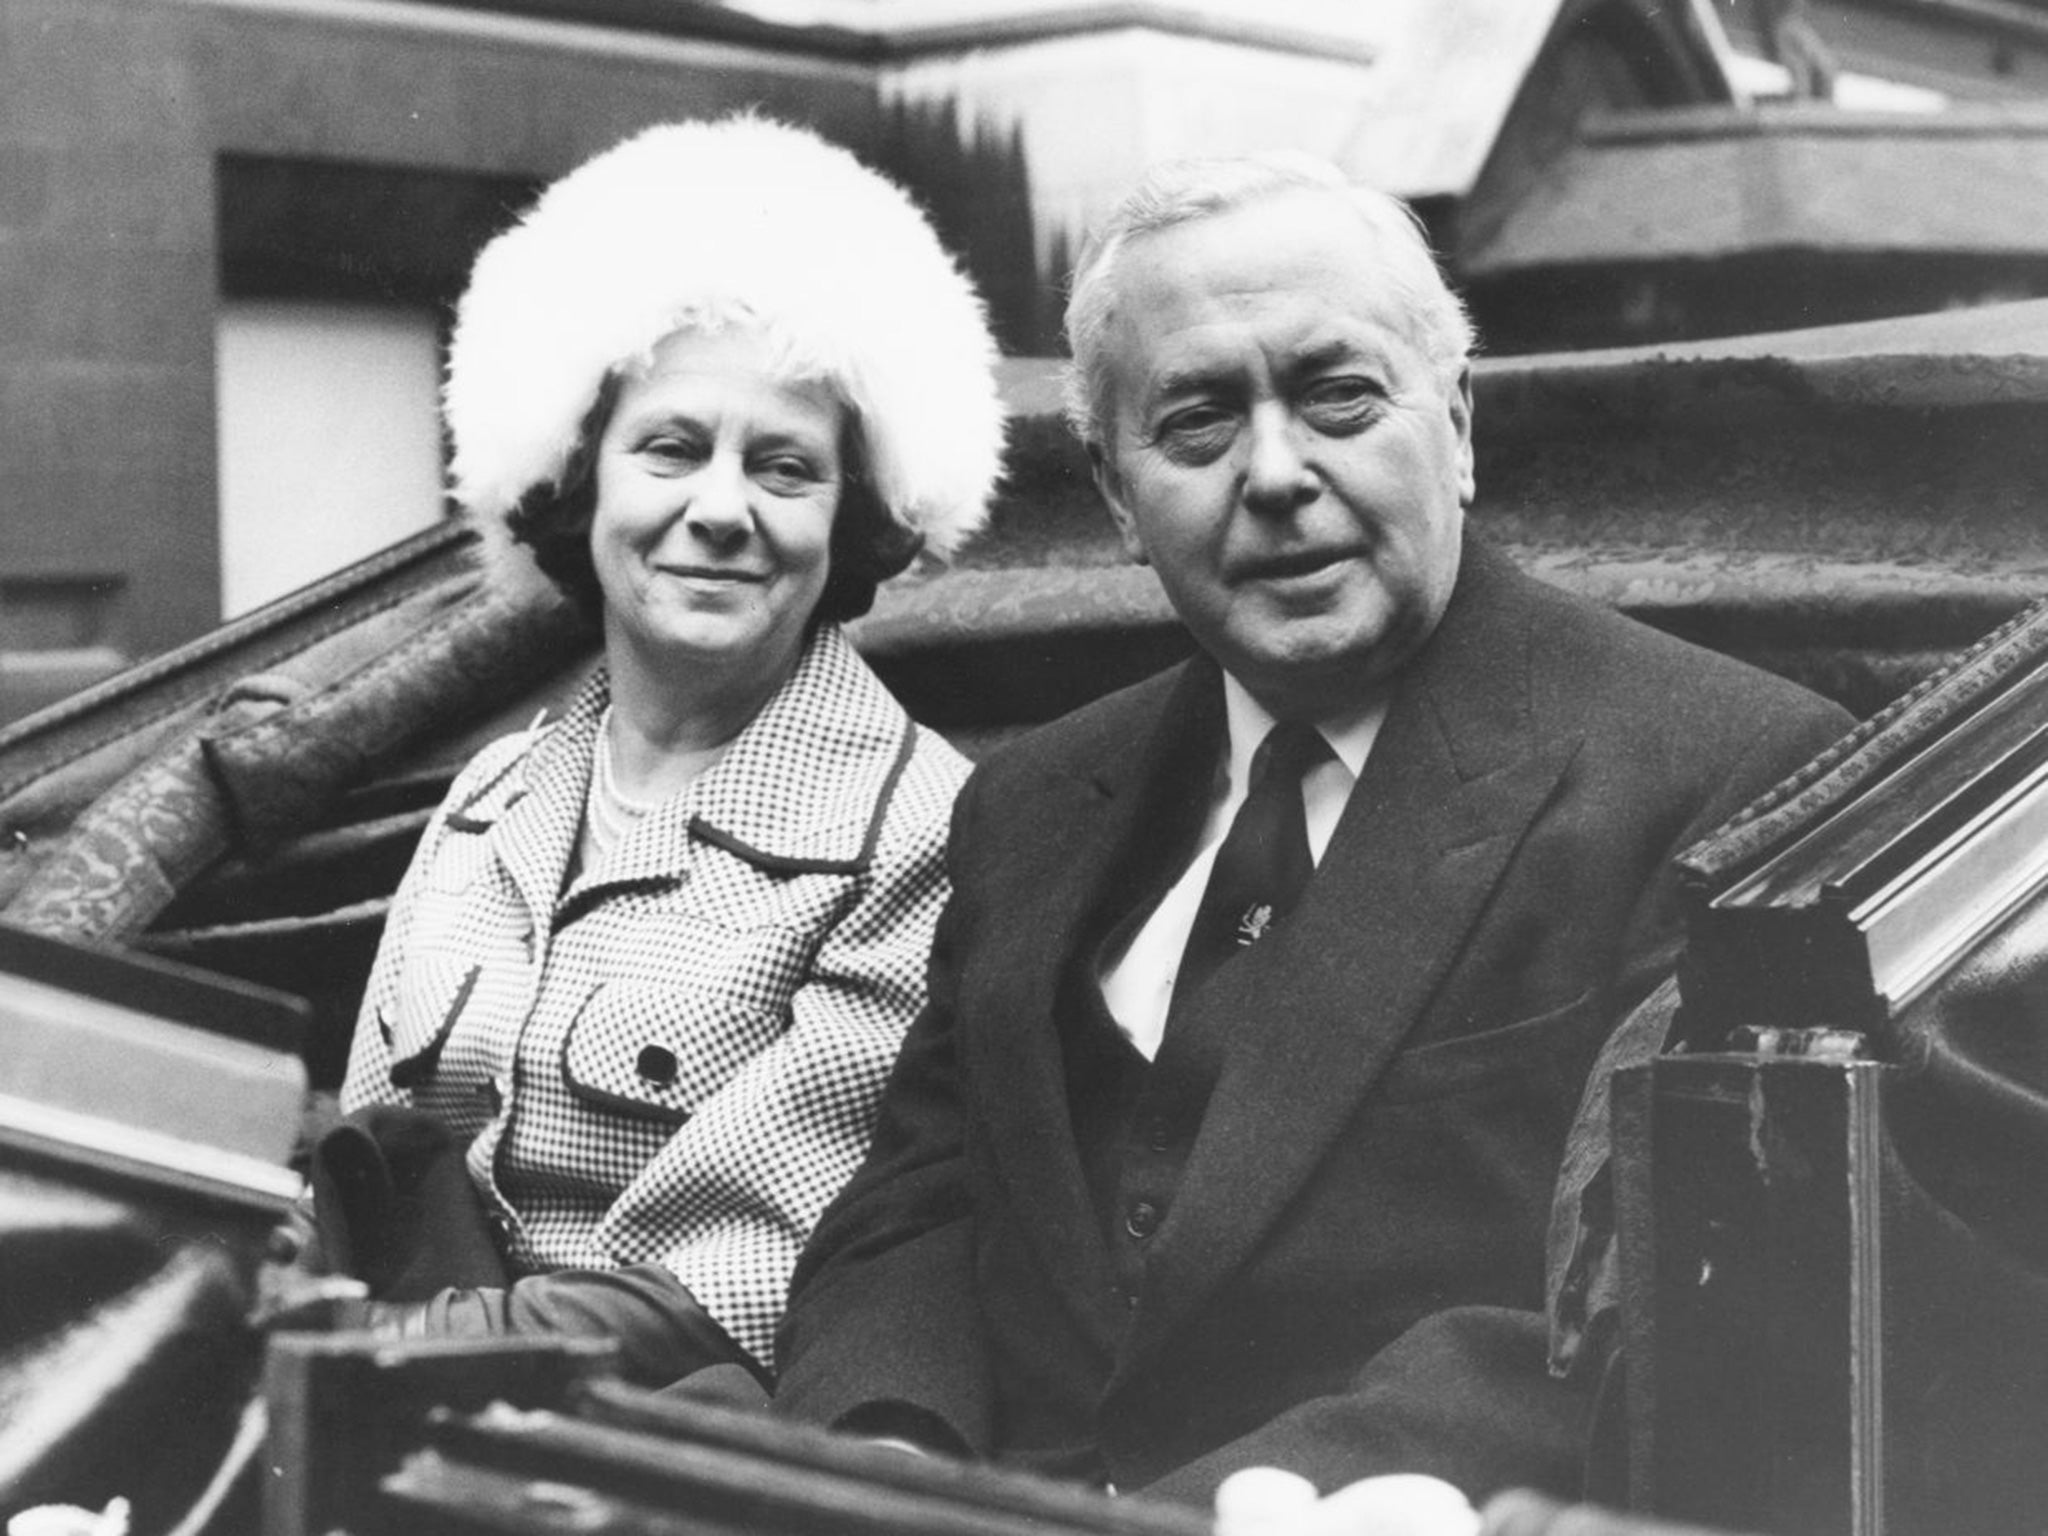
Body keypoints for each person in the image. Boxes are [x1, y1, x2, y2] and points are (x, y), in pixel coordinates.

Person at [769, 152, 1855, 1500]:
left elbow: (1626, 1323)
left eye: (1339, 395)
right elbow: (921, 1204)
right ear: (1115, 496)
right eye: (1200, 423)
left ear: (1456, 429)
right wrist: (891, 1455)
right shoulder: (1030, 803)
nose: (1277, 473)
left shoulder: (1724, 776)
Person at [325, 115, 1003, 1389]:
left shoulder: (928, 834)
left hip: (656, 1451)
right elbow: (360, 1164)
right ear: (581, 488)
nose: (720, 510)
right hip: (381, 1408)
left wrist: (371, 1354)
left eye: (785, 466)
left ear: (850, 520)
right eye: (673, 447)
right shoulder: (484, 803)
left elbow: (738, 1279)